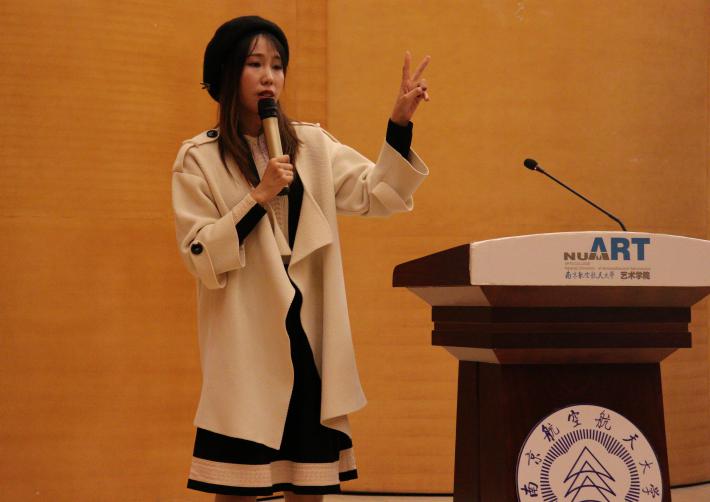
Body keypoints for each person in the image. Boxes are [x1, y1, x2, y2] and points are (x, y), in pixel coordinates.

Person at [171, 15, 430, 502]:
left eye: (277, 65)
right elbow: (200, 254)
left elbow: (375, 193)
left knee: (308, 486)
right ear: (228, 73)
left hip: (308, 336)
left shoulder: (312, 145)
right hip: (246, 344)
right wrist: (258, 196)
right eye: (254, 64)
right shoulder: (198, 158)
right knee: (237, 486)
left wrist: (398, 127)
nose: (269, 77)